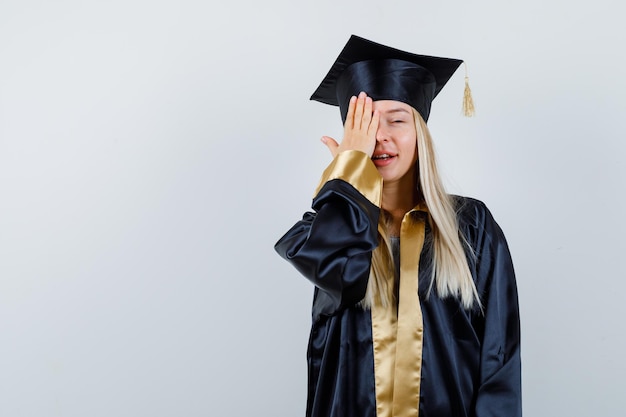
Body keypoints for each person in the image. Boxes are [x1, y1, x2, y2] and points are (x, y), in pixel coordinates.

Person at [275, 35, 521, 417]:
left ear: (420, 131)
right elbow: (344, 275)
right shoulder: (319, 232)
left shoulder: (471, 227)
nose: (380, 137)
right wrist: (347, 179)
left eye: (397, 120)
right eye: (366, 124)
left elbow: (499, 357)